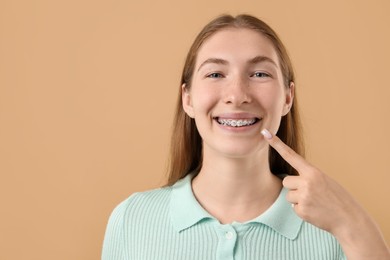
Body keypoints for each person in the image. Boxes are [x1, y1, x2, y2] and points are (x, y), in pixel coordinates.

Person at [102, 14, 390, 260]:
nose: (237, 96)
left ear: (288, 98)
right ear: (187, 99)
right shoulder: (132, 219)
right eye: (215, 74)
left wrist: (354, 226)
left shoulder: (335, 228)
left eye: (260, 74)